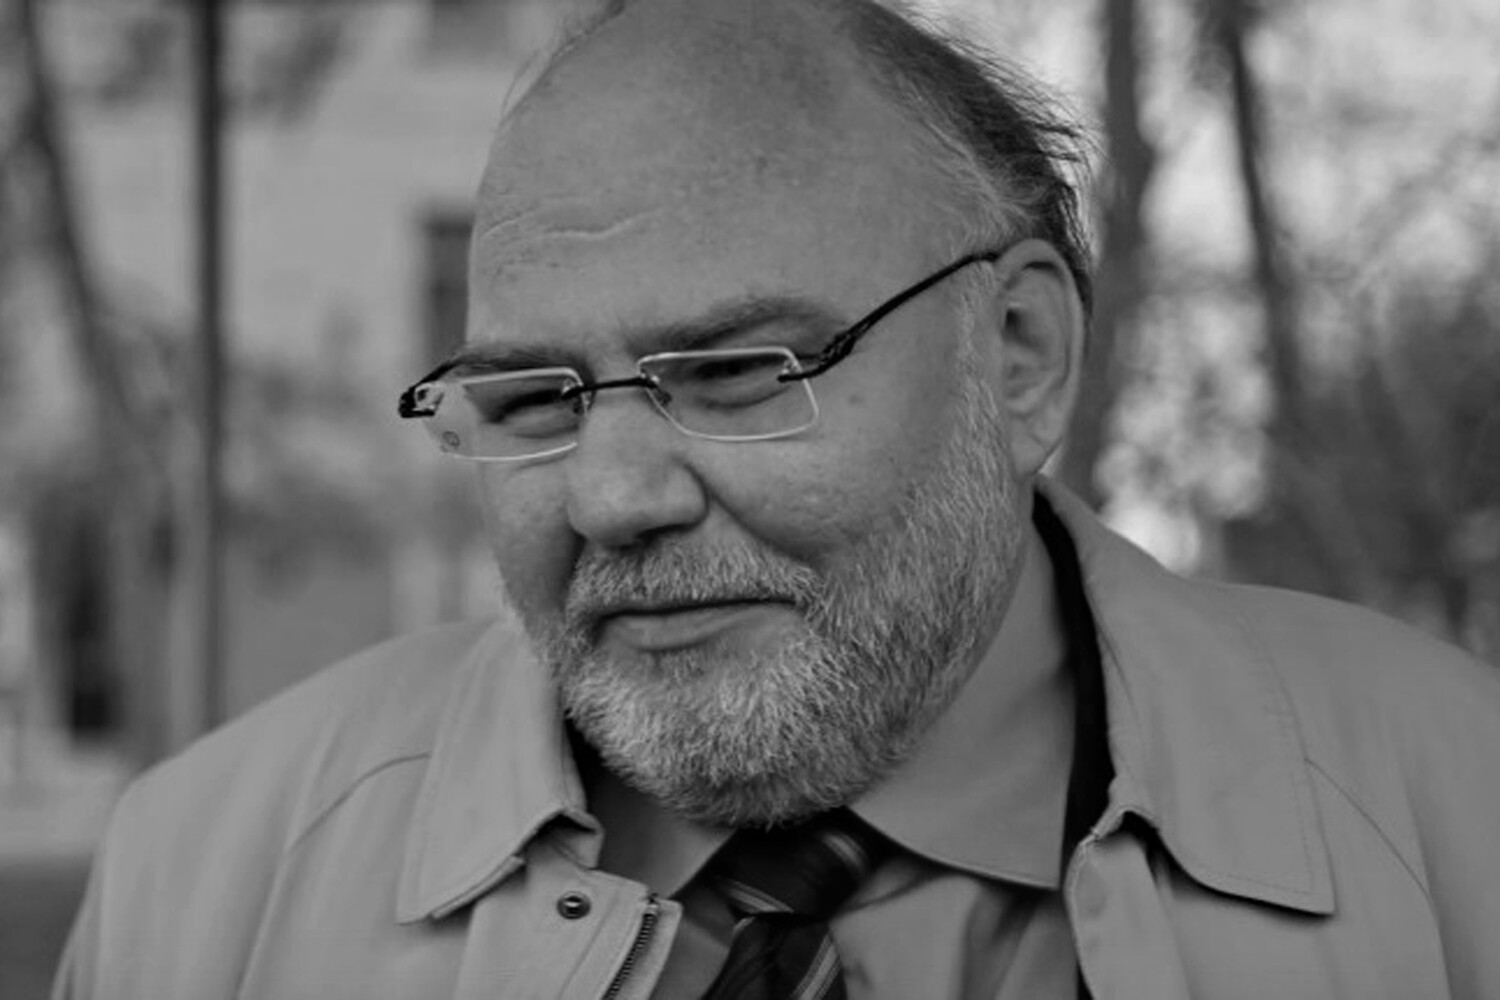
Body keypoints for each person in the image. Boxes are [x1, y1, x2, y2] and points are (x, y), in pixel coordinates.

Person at [54, 1, 1500, 998]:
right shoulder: (200, 883)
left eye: (740, 372)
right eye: (534, 400)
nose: (613, 496)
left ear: (1019, 354)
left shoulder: (1457, 820)